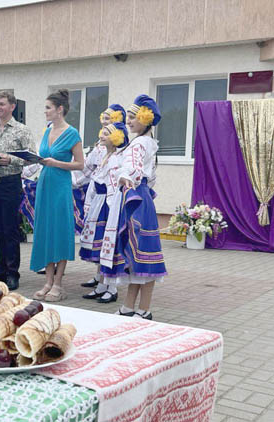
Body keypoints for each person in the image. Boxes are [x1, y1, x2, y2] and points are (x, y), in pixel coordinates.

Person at [102, 95, 167, 320]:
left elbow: (134, 168)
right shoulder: (147, 142)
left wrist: (125, 177)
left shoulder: (139, 143)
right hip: (140, 196)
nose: (128, 121)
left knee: (141, 254)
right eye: (128, 117)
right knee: (137, 254)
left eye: (132, 117)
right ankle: (131, 306)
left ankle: (143, 309)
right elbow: (150, 176)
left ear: (145, 118)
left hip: (135, 197)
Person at [30, 89, 85, 302]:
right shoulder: (47, 130)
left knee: (60, 231)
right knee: (45, 231)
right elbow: (42, 156)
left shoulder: (72, 133)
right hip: (44, 184)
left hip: (61, 186)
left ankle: (58, 284)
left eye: (48, 108)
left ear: (59, 109)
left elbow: (80, 164)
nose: (45, 111)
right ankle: (48, 282)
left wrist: (56, 163)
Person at [0, 91, 36, 290]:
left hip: (10, 183)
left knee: (10, 230)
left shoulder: (22, 130)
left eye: (2, 104)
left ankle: (13, 273)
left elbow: (31, 156)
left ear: (12, 107)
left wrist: (11, 159)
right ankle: (0, 271)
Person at [74, 104, 126, 290]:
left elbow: (112, 183)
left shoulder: (117, 157)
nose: (104, 123)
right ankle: (100, 279)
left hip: (107, 203)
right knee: (100, 242)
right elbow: (88, 170)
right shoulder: (101, 150)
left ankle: (109, 286)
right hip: (99, 200)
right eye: (103, 118)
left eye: (109, 119)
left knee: (107, 242)